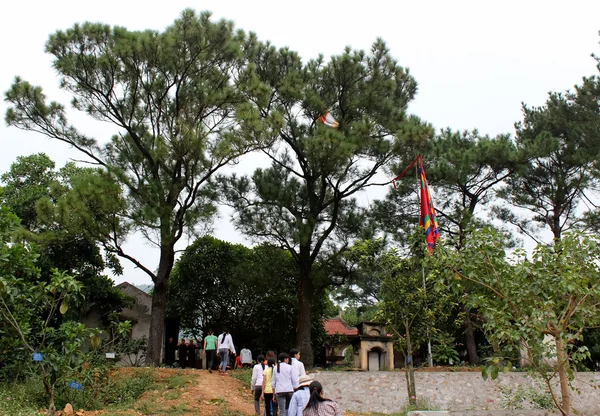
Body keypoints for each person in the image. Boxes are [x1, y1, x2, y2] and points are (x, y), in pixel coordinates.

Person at [266, 351, 279, 416]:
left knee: (267, 406)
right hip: (276, 390)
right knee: (275, 406)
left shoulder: (266, 370)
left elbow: (264, 381)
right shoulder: (277, 368)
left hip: (267, 390)